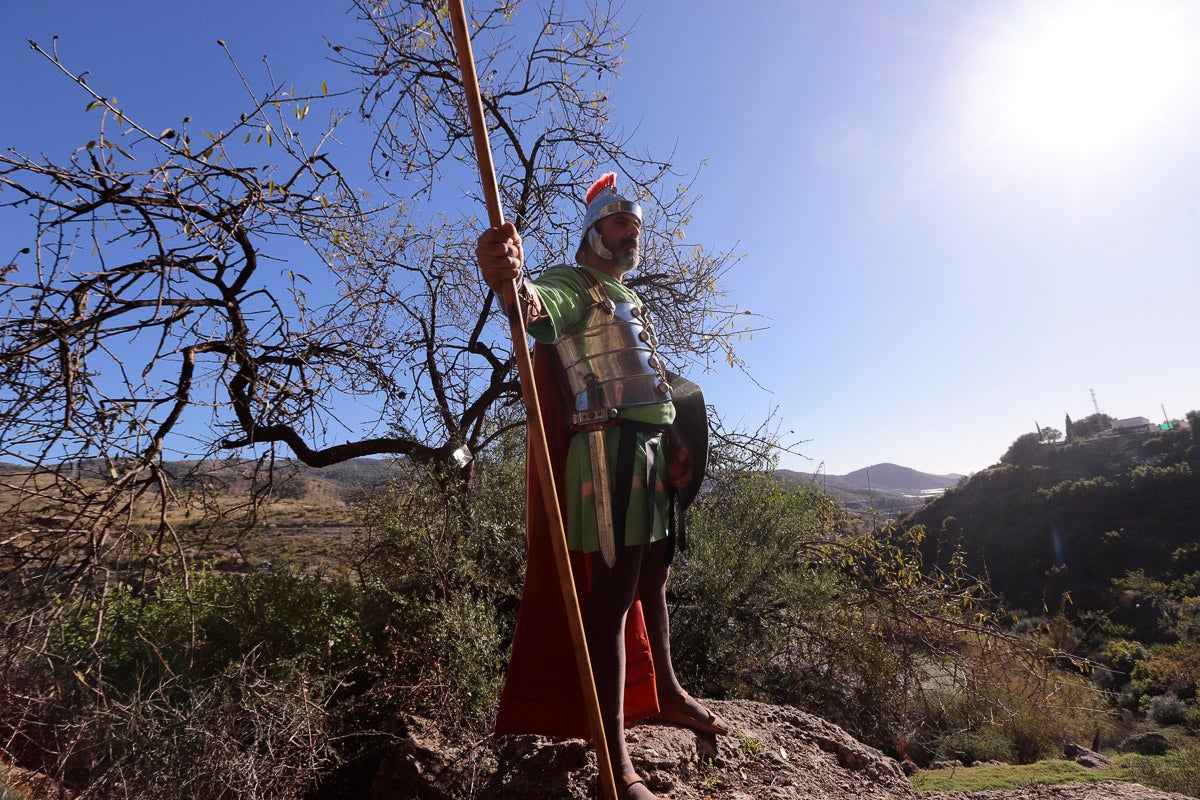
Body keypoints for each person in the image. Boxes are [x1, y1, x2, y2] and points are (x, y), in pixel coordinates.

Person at [476, 173, 729, 800]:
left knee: (652, 580)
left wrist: (672, 437)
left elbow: (648, 381)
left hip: (645, 450)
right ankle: (612, 762)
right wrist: (509, 278)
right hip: (603, 449)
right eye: (621, 224)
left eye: (635, 226)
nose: (632, 233)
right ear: (593, 231)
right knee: (611, 597)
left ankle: (666, 690)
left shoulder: (624, 295)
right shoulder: (571, 283)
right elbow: (533, 310)